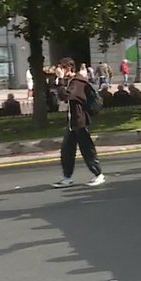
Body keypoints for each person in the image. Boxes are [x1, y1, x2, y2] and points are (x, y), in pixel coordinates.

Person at [51, 57, 105, 188]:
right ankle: (67, 177)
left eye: (62, 68)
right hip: (72, 122)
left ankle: (98, 174)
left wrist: (61, 80)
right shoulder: (71, 81)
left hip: (80, 121)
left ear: (69, 68)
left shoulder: (78, 81)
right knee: (67, 150)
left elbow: (66, 96)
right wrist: (60, 81)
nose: (59, 71)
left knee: (87, 148)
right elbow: (63, 97)